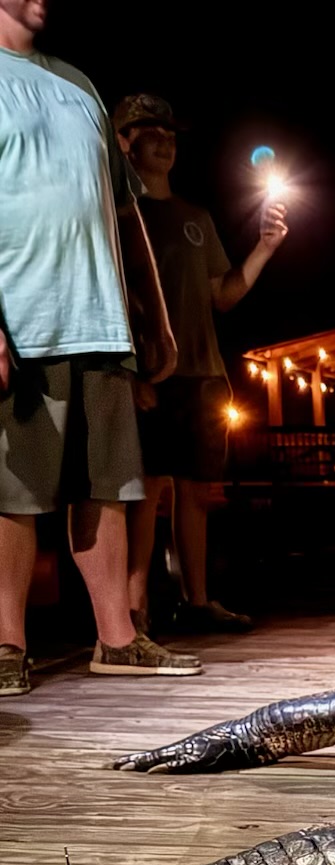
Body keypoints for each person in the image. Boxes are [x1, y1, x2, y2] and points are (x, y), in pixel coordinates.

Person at [0, 0, 200, 697]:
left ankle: (117, 639)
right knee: (16, 490)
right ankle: (7, 644)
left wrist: (159, 319)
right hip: (24, 313)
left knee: (108, 483)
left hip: (101, 314)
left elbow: (124, 211)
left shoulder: (80, 84)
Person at [114, 92, 288, 634]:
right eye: (150, 132)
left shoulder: (196, 218)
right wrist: (131, 372)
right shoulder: (118, 215)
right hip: (151, 374)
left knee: (196, 491)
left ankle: (198, 600)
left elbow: (223, 294)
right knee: (146, 490)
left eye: (170, 135)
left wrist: (265, 248)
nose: (164, 142)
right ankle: (134, 611)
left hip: (205, 374)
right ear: (124, 141)